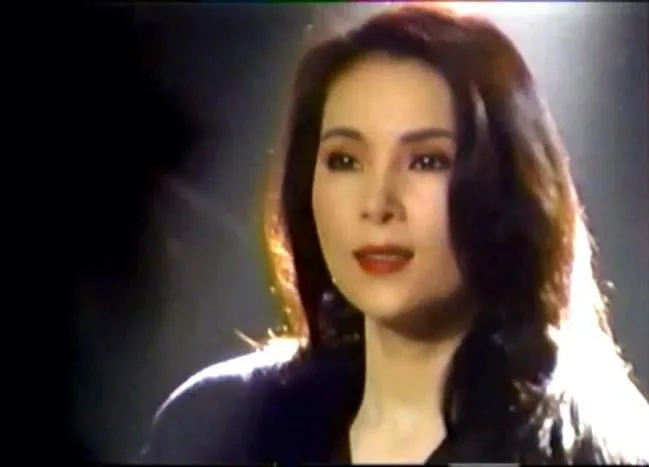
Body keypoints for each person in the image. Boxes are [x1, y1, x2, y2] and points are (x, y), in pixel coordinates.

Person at [137, 4, 649, 464]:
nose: (377, 203)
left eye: (427, 161)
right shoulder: (217, 426)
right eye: (345, 160)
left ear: (509, 185)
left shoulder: (594, 445)